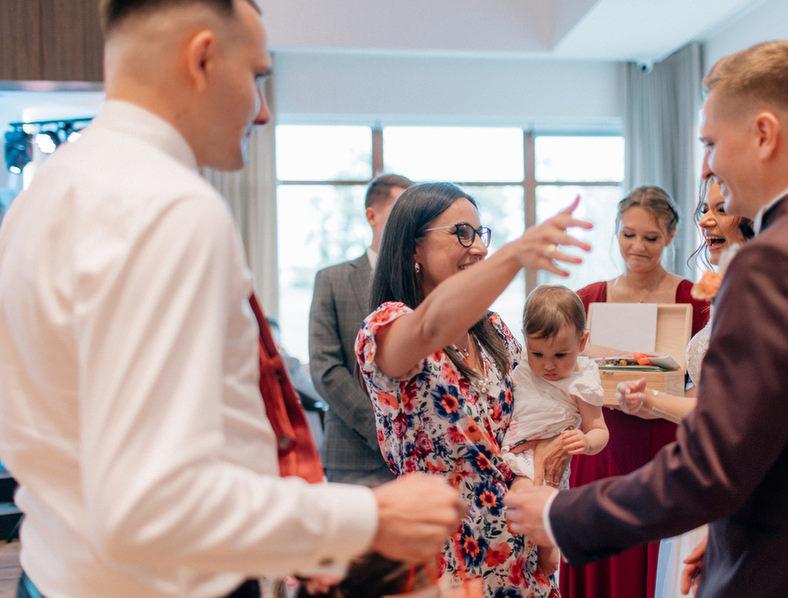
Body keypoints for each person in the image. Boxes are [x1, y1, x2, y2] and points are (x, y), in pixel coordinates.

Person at [0, 2, 463, 597]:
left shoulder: (46, 194)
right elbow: (152, 504)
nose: (263, 112)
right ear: (202, 59)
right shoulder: (168, 207)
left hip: (57, 570)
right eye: (257, 77)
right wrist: (370, 518)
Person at [506, 40, 788, 597]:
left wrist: (562, 514)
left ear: (763, 134)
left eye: (712, 143)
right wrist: (727, 539)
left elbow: (713, 461)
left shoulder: (776, 261)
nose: (708, 166)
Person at [355, 182, 591, 598]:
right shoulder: (387, 327)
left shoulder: (494, 331)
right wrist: (514, 255)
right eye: (462, 233)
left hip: (522, 549)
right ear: (414, 249)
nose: (479, 248)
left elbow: (532, 414)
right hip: (447, 558)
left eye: (481, 235)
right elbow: (430, 326)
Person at [561, 185, 709, 598]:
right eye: (628, 234)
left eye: (650, 237)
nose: (637, 246)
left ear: (671, 237)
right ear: (616, 231)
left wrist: (661, 403)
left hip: (665, 442)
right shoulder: (588, 299)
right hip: (603, 444)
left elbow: (711, 383)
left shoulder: (696, 301)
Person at [615, 179, 753, 598]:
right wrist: (649, 401)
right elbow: (707, 395)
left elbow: (734, 413)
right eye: (703, 208)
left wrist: (655, 400)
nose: (707, 219)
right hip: (699, 468)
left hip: (733, 476)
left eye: (720, 208)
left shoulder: (758, 293)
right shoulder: (728, 286)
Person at [309, 173, 413, 486]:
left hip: (421, 455)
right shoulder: (332, 280)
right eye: (399, 212)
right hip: (354, 455)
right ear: (372, 215)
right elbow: (325, 368)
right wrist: (381, 427)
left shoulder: (423, 283)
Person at [501, 284, 610, 573]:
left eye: (560, 356)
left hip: (551, 458)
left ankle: (549, 551)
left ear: (582, 342)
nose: (548, 365)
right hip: (513, 449)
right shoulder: (521, 364)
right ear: (525, 341)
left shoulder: (581, 380)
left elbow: (599, 430)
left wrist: (585, 442)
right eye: (538, 354)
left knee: (534, 495)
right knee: (518, 505)